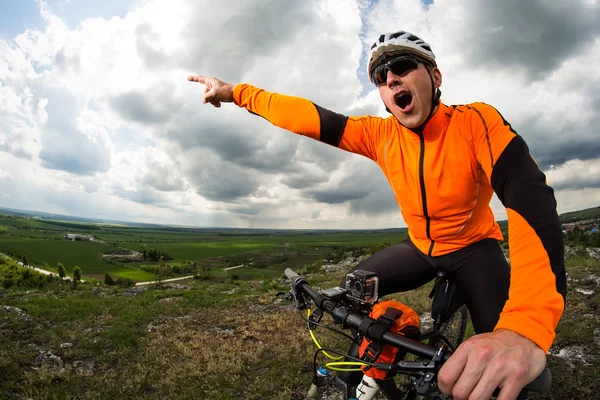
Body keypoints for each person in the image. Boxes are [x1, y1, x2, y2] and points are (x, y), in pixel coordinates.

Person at [187, 30, 567, 400]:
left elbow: (528, 196)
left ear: (434, 77)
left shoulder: (475, 122)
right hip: (420, 246)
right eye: (380, 77)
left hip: (474, 247)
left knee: (509, 368)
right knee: (353, 290)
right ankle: (353, 373)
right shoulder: (379, 135)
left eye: (402, 65)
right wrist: (236, 92)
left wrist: (525, 326)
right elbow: (306, 116)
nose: (390, 79)